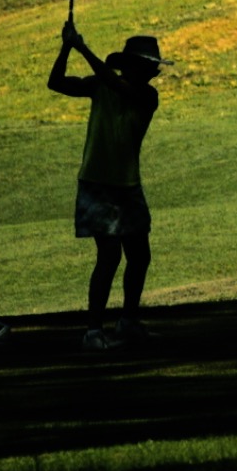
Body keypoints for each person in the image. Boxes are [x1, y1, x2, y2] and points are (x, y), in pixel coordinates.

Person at [47, 18, 168, 350]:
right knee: (110, 256)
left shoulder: (146, 95)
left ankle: (127, 322)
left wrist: (82, 46)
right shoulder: (101, 85)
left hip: (127, 184)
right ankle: (94, 331)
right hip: (99, 184)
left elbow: (118, 88)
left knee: (139, 255)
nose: (150, 71)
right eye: (146, 65)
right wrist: (67, 47)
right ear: (132, 65)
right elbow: (55, 82)